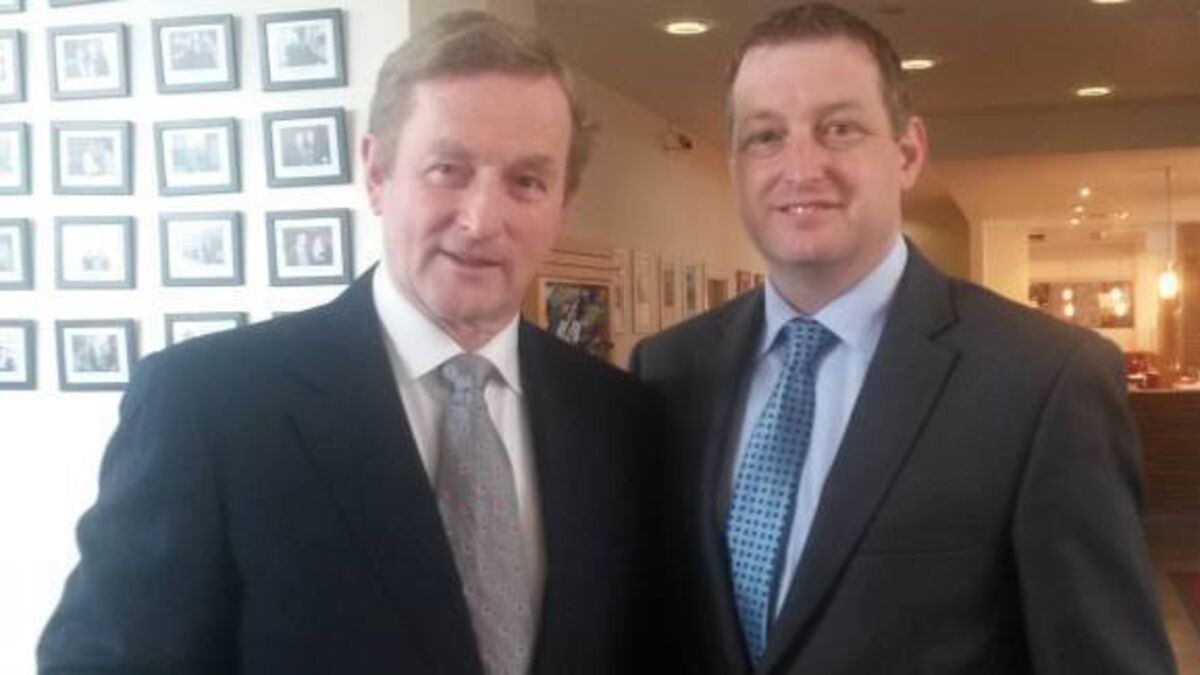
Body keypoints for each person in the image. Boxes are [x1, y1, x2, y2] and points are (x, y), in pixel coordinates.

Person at [39, 11, 658, 674]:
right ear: (375, 173)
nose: (482, 220)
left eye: (526, 182)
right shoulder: (208, 404)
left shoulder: (617, 418)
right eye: (447, 169)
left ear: (563, 206)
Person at [630, 3, 1175, 673]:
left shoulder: (1044, 380)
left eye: (839, 128)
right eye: (765, 136)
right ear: (738, 163)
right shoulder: (668, 370)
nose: (801, 167)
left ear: (908, 151)